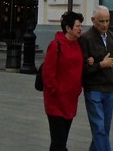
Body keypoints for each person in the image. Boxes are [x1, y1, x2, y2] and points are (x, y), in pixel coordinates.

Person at [79, 5, 113, 151]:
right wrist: (101, 64)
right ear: (93, 20)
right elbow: (82, 69)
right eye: (101, 21)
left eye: (107, 21)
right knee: (99, 128)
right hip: (93, 89)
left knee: (103, 130)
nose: (105, 25)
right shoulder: (85, 39)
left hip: (109, 90)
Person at [43, 11, 84, 151]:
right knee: (59, 142)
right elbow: (48, 74)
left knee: (60, 141)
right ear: (68, 28)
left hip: (70, 102)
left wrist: (77, 90)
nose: (80, 29)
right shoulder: (56, 45)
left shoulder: (78, 45)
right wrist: (56, 91)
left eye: (81, 26)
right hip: (56, 103)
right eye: (78, 26)